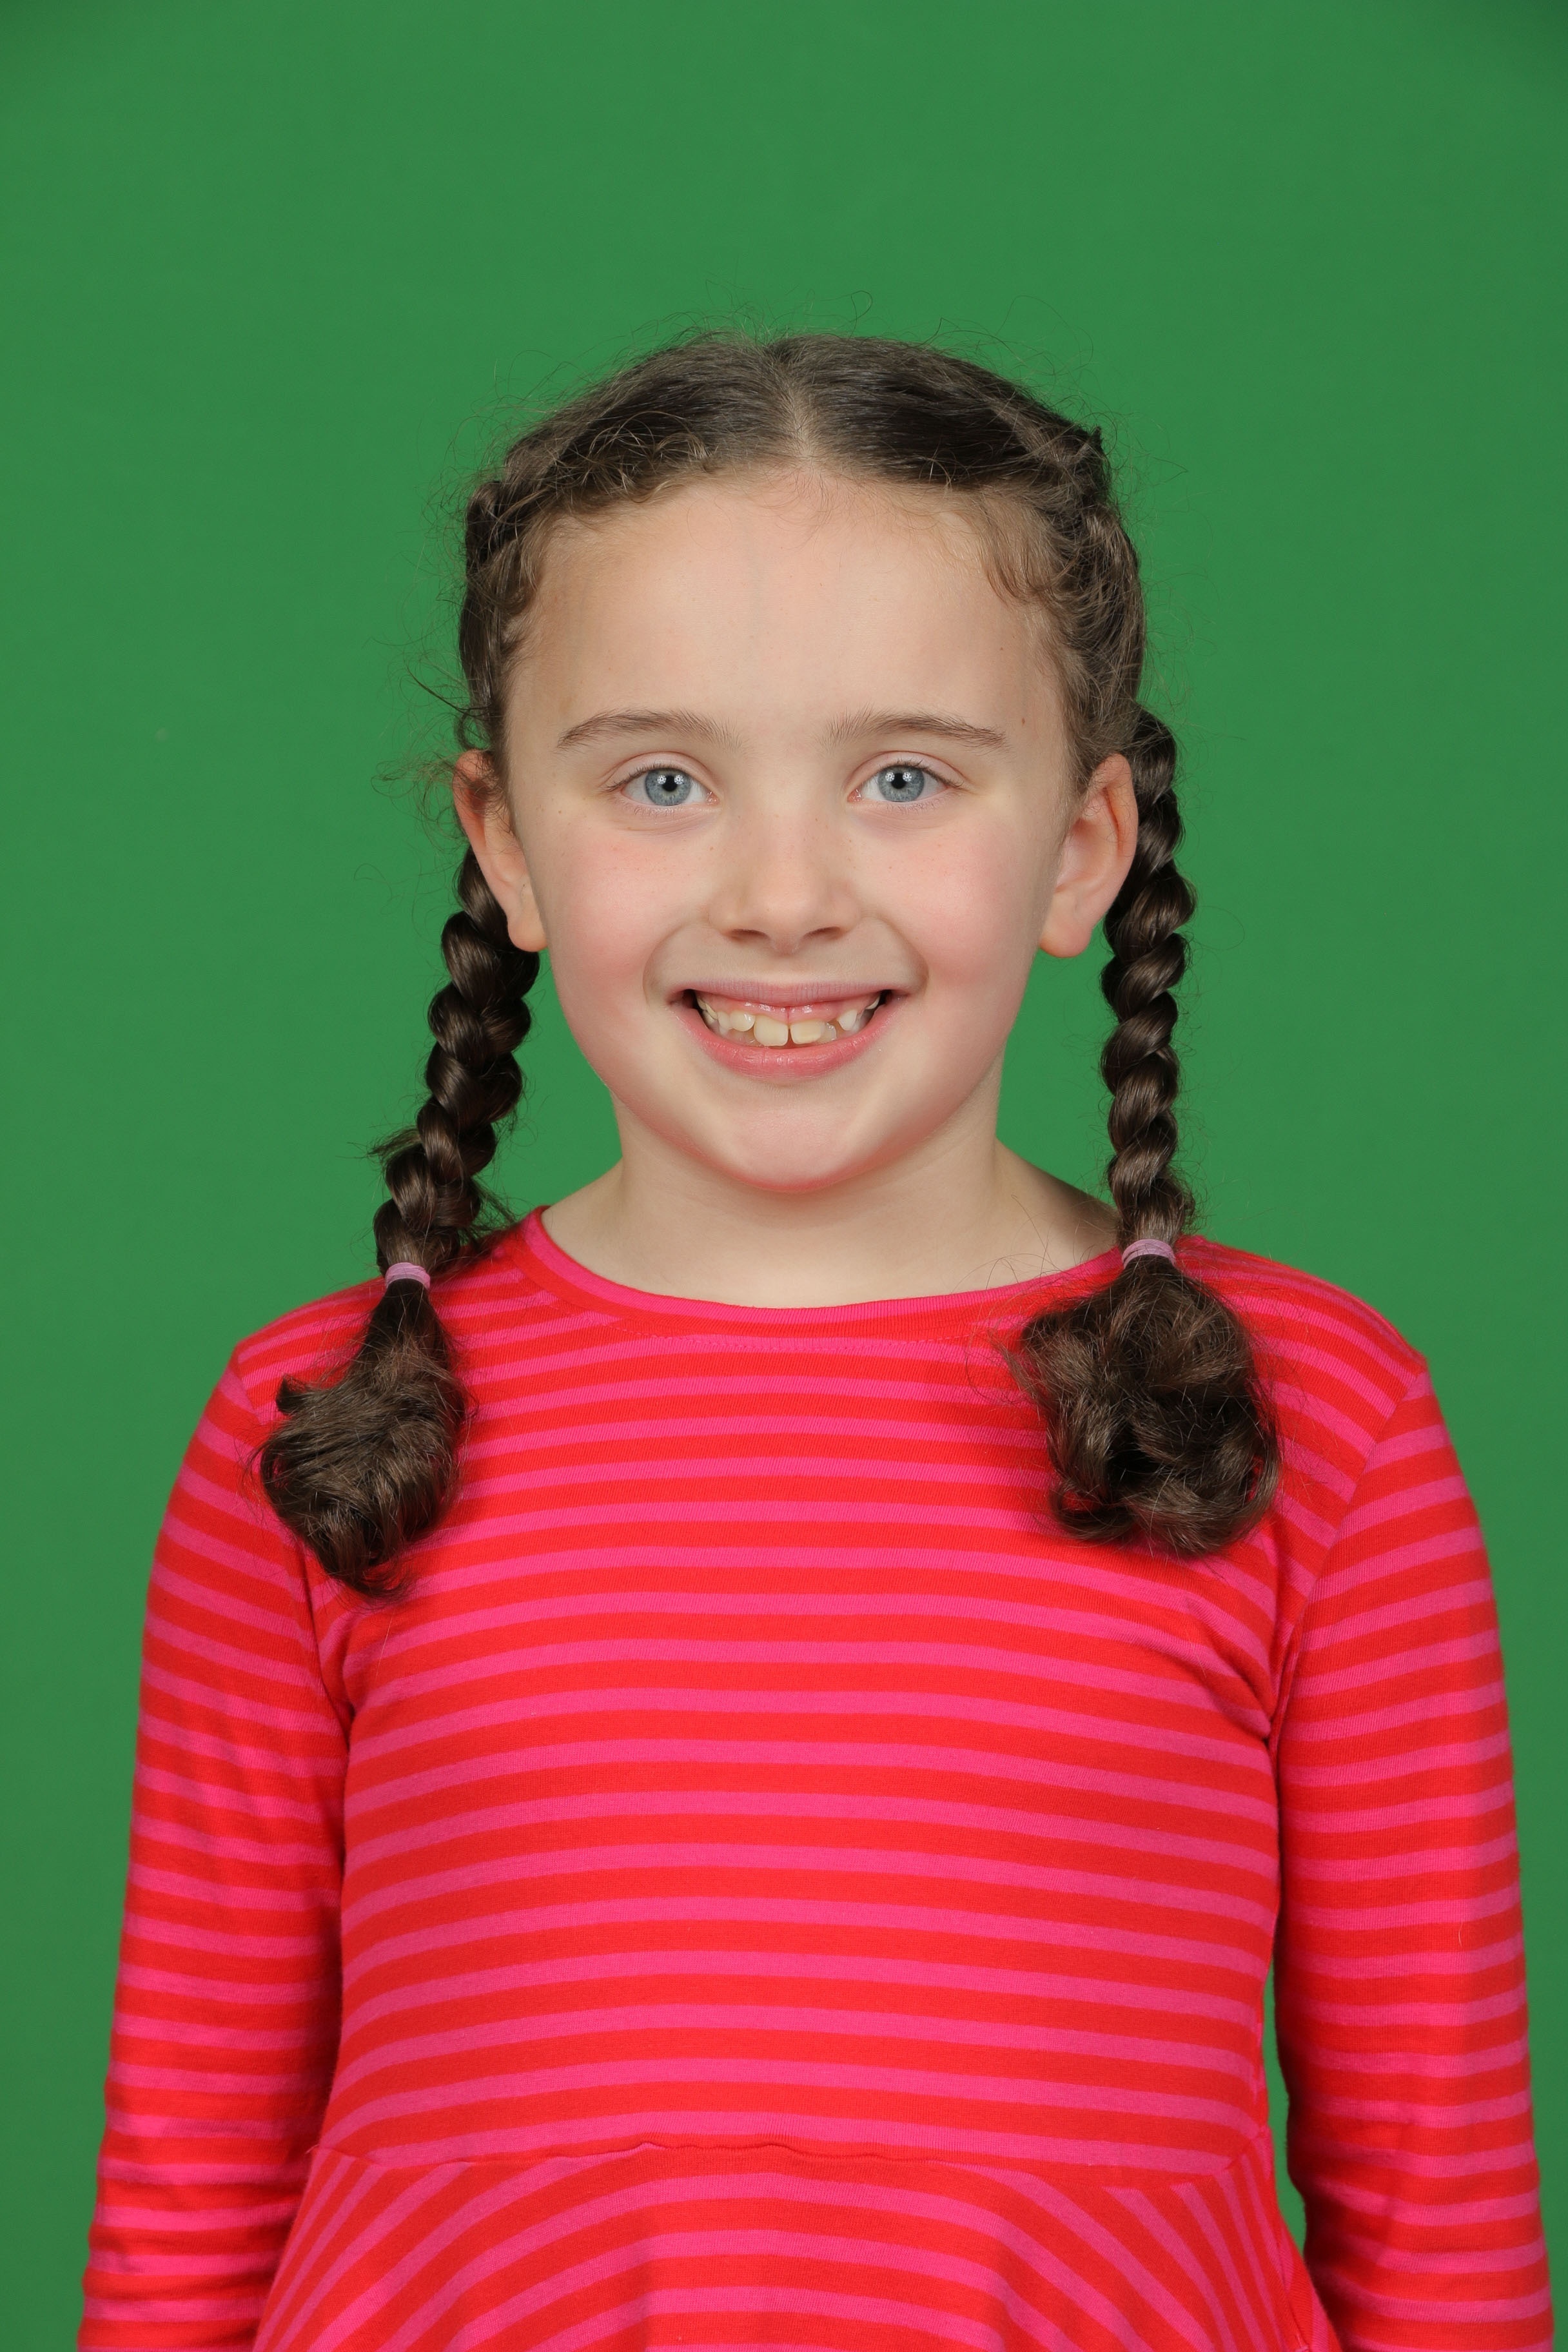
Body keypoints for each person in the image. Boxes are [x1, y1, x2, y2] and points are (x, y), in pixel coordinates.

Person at [81, 335, 1549, 2352]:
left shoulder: (1317, 1416)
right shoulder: (320, 1421)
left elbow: (1437, 2224)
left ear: (1084, 846)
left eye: (906, 778)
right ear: (506, 844)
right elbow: (190, 2209)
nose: (783, 896)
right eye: (663, 782)